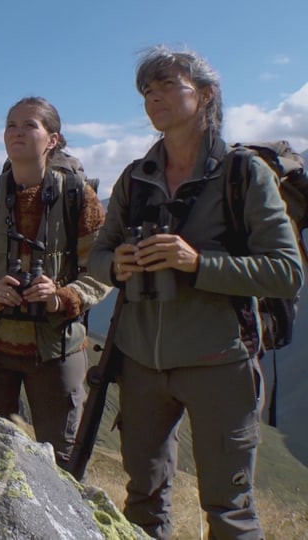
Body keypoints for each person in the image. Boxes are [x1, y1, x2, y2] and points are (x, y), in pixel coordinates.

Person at [89, 45, 304, 539]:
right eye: (147, 89)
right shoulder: (135, 178)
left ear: (206, 95)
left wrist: (197, 263)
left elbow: (285, 272)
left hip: (219, 364)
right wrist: (115, 265)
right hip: (141, 363)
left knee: (229, 511)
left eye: (168, 84)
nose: (154, 96)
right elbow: (97, 257)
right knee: (142, 500)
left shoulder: (243, 174)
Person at [0, 96, 111, 471]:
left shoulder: (79, 197)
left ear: (52, 139)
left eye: (29, 125)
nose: (17, 132)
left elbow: (102, 271)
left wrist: (61, 297)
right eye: (11, 125)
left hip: (56, 352)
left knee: (61, 463)